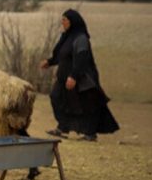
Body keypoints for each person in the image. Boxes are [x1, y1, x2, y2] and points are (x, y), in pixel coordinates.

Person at [41, 9, 119, 141]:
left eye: (65, 20)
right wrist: (50, 62)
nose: (62, 22)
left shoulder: (80, 38)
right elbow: (62, 55)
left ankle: (90, 134)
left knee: (87, 105)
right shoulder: (66, 37)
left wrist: (74, 76)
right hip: (63, 78)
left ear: (73, 22)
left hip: (81, 79)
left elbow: (82, 59)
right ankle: (62, 128)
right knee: (57, 98)